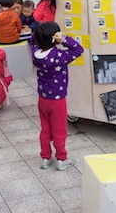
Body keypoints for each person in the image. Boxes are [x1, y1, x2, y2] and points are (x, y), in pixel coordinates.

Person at [31, 21, 83, 170]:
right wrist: (65, 39)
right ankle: (62, 159)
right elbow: (78, 49)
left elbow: (32, 40)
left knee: (45, 129)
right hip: (58, 100)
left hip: (43, 98)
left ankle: (46, 157)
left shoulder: (35, 54)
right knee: (59, 130)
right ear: (55, 38)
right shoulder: (59, 56)